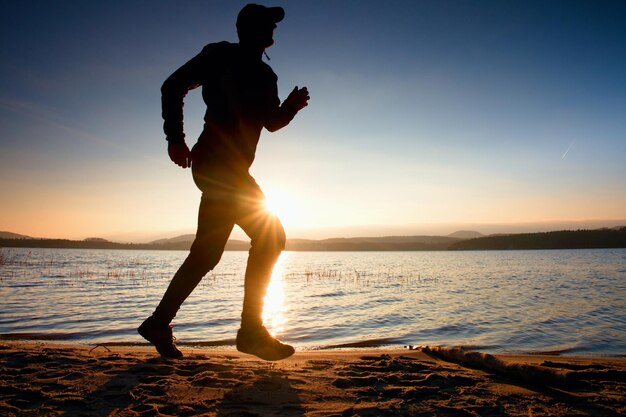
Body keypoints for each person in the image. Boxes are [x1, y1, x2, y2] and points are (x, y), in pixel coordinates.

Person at [138, 3, 309, 361]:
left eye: (274, 25)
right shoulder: (218, 55)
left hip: (234, 171)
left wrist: (291, 107)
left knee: (206, 253)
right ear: (247, 28)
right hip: (214, 164)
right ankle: (250, 332)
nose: (273, 30)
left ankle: (158, 322)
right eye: (267, 24)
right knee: (271, 234)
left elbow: (271, 122)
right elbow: (173, 86)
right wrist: (174, 137)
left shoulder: (267, 77)